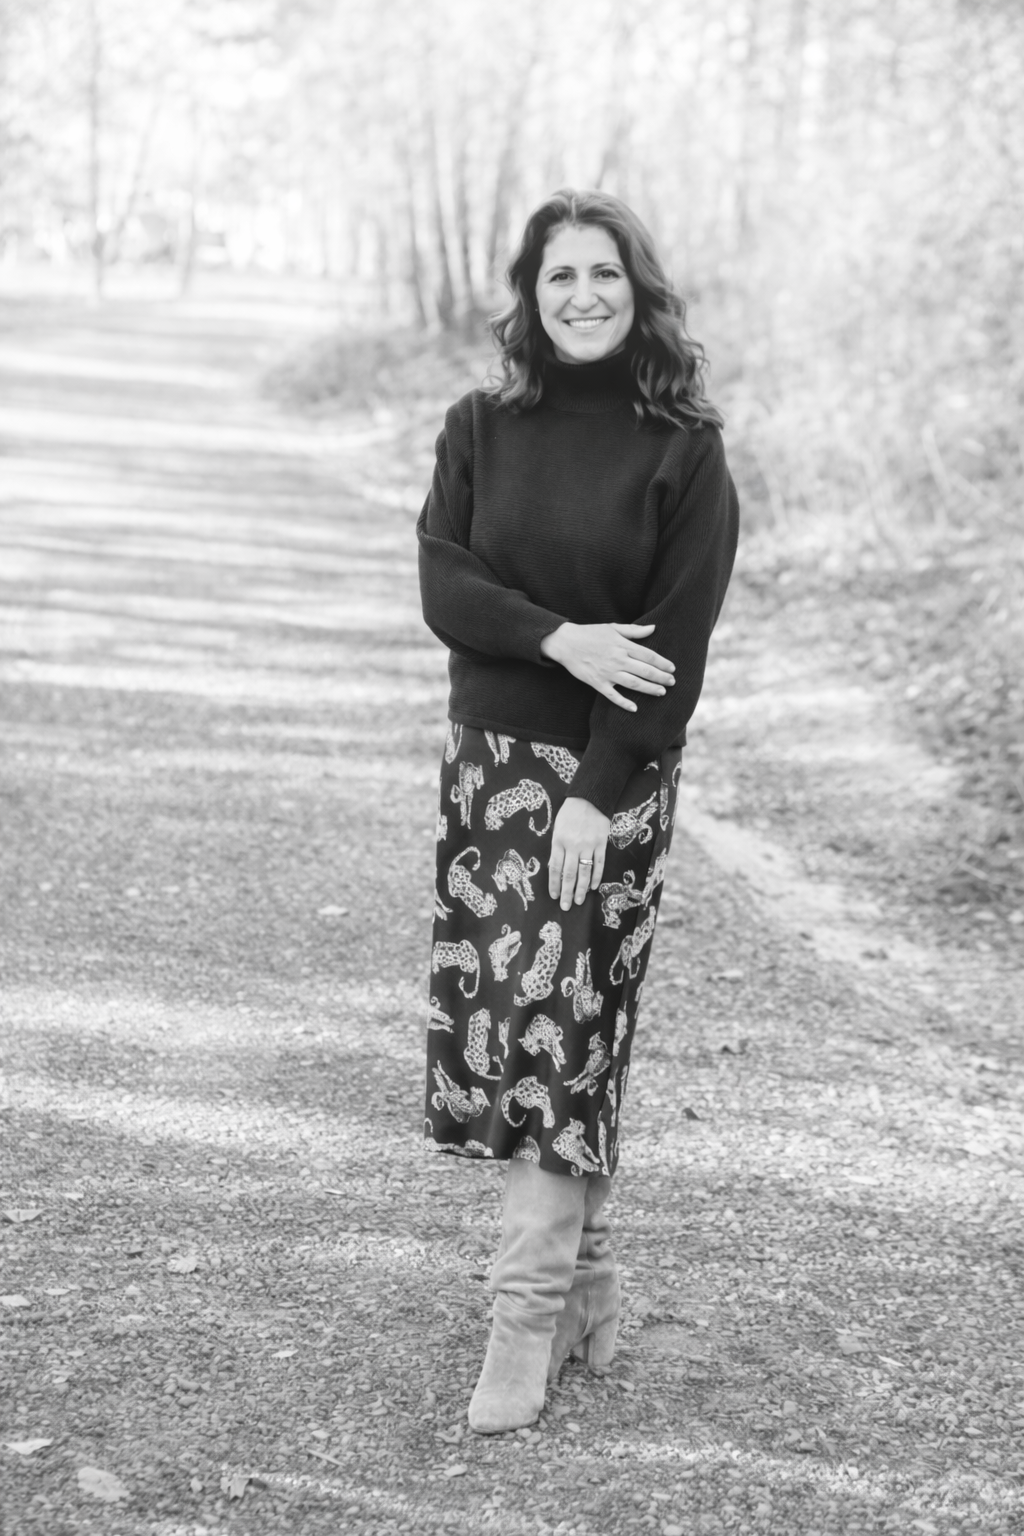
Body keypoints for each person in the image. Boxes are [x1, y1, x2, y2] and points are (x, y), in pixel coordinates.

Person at [417, 188, 739, 1435]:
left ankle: (523, 1320)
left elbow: (673, 654)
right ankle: (589, 1286)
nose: (583, 295)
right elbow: (446, 584)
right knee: (528, 1028)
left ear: (636, 292)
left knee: (559, 1033)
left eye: (604, 273)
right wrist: (559, 636)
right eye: (560, 276)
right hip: (489, 771)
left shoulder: (684, 451)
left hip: (610, 782)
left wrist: (597, 795)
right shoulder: (479, 426)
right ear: (531, 294)